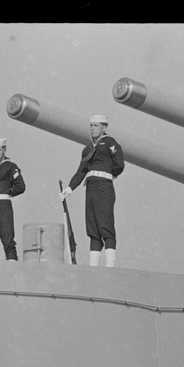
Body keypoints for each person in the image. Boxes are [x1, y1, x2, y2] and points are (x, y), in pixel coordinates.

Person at [59, 114, 125, 267]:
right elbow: (81, 171)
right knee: (93, 229)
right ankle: (93, 266)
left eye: (96, 126)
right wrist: (69, 188)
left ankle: (110, 265)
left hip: (104, 188)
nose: (93, 129)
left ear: (104, 128)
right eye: (91, 125)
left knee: (105, 226)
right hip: (91, 188)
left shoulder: (109, 142)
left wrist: (108, 173)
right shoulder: (87, 149)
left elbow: (119, 164)